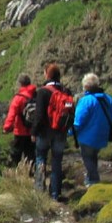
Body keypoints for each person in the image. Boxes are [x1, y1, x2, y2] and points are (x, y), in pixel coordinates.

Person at [32, 64, 75, 201]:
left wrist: (34, 132)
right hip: (61, 131)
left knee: (40, 158)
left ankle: (40, 190)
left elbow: (38, 116)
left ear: (47, 74)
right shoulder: (66, 91)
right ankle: (55, 194)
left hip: (45, 131)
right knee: (57, 161)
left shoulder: (42, 92)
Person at [71, 72, 112, 188]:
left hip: (87, 137)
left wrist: (70, 132)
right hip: (102, 135)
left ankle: (93, 182)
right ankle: (92, 178)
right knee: (93, 157)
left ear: (85, 86)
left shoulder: (86, 101)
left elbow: (78, 121)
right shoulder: (108, 99)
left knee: (88, 158)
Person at [4, 74, 38, 169]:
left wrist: (7, 128)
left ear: (20, 84)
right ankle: (31, 172)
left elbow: (12, 114)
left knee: (16, 153)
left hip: (19, 130)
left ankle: (15, 173)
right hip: (32, 131)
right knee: (30, 153)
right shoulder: (36, 95)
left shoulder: (18, 98)